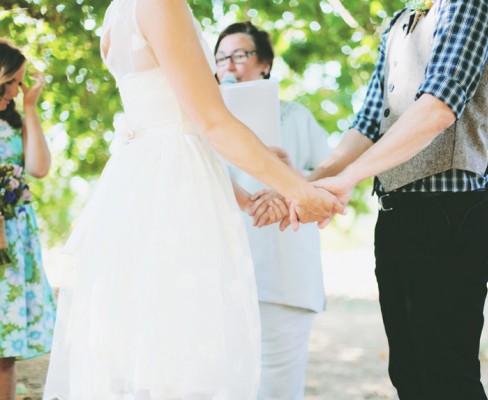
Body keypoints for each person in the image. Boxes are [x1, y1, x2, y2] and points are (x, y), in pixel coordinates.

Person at [42, 0, 344, 399]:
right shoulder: (162, 4)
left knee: (153, 345)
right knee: (186, 346)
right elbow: (213, 124)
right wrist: (300, 191)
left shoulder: (116, 15)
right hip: (177, 198)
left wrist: (244, 198)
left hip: (146, 184)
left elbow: (172, 124)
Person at [296, 1, 488, 399]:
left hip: (451, 214)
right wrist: (305, 184)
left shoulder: (470, 5)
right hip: (397, 215)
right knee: (409, 375)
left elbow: (438, 107)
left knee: (448, 377)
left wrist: (348, 180)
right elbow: (368, 123)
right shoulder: (399, 23)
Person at [214, 21, 330, 400]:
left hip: (284, 274)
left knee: (278, 388)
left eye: (239, 55)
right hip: (222, 275)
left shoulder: (297, 117)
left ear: (264, 63)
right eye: (220, 58)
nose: (228, 65)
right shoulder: (204, 125)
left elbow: (332, 184)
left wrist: (289, 175)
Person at [0, 39, 56, 400]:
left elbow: (38, 167)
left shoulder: (12, 121)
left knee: (5, 351)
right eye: (14, 83)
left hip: (15, 240)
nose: (17, 90)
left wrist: (31, 107)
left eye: (21, 83)